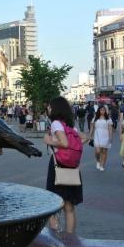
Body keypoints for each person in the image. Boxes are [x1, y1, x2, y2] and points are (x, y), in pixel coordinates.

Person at [43, 96, 83, 234]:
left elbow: (65, 143)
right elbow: (80, 140)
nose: (48, 108)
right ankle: (70, 240)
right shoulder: (71, 126)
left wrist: (49, 140)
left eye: (49, 106)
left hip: (57, 165)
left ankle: (55, 239)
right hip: (72, 167)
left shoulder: (56, 124)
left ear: (55, 108)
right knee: (69, 207)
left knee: (53, 204)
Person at [89, 105, 113, 171]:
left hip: (106, 135)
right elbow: (92, 127)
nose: (102, 111)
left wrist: (111, 137)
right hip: (97, 135)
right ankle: (98, 161)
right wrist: (90, 136)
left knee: (104, 151)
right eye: (101, 110)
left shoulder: (108, 119)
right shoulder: (95, 118)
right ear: (99, 111)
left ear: (105, 111)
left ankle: (102, 165)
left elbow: (110, 128)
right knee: (98, 151)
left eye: (103, 110)